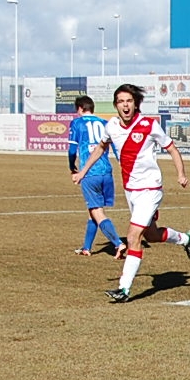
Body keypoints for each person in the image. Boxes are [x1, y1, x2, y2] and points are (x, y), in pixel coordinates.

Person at [72, 84, 190, 303]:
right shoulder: (111, 126)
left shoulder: (149, 125)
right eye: (121, 102)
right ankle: (185, 238)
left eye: (129, 101)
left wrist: (181, 174)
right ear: (115, 106)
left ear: (135, 103)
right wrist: (82, 171)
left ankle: (124, 289)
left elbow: (172, 149)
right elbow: (101, 148)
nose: (125, 105)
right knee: (151, 235)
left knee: (132, 236)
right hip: (131, 190)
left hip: (151, 188)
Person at [66, 96, 125, 258]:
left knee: (97, 211)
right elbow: (116, 148)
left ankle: (118, 243)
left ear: (79, 108)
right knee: (93, 211)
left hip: (90, 172)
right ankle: (86, 247)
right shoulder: (104, 123)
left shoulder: (77, 123)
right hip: (106, 171)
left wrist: (73, 168)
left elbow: (72, 150)